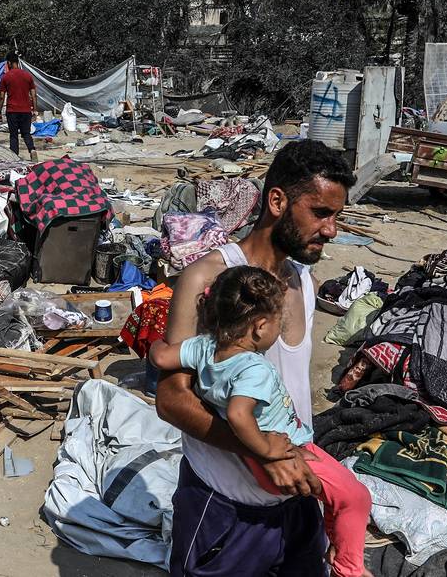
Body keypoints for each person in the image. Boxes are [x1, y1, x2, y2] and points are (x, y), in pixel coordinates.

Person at [155, 139, 356, 577]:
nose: (332, 230)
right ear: (278, 201)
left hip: (297, 500)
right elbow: (171, 400)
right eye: (320, 213)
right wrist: (266, 455)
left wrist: (288, 459)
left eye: (337, 216)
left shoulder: (303, 279)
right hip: (226, 508)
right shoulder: (208, 279)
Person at [150, 265, 371, 577]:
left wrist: (155, 343)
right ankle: (349, 569)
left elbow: (161, 357)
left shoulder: (204, 347)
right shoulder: (254, 368)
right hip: (285, 452)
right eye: (278, 324)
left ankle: (337, 543)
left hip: (262, 462)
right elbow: (240, 415)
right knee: (356, 497)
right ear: (260, 326)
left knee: (336, 497)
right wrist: (267, 451)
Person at [0, 52, 38, 162]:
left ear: (9, 63)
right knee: (26, 134)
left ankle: (14, 158)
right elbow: (33, 94)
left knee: (13, 136)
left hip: (12, 111)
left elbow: (1, 96)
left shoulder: (6, 77)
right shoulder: (28, 76)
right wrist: (35, 110)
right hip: (26, 111)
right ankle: (32, 150)